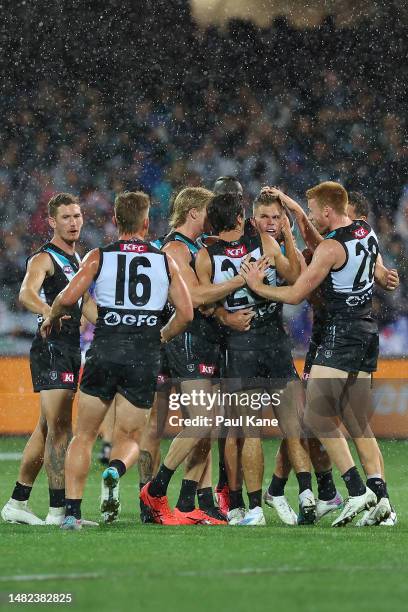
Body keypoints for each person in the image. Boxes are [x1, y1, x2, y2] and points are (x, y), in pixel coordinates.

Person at [240, 181, 398, 526]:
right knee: (358, 423)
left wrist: (258, 287)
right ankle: (382, 502)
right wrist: (292, 207)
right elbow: (327, 241)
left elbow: (296, 293)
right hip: (366, 330)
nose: (308, 216)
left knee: (316, 416)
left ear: (327, 211)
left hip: (338, 333)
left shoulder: (329, 249)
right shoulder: (366, 232)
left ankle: (357, 491)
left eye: (312, 211)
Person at [40, 191, 193, 529]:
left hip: (105, 348)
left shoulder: (98, 256)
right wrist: (161, 336)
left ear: (115, 219)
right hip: (143, 353)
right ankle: (116, 470)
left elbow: (67, 298)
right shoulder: (164, 260)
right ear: (146, 222)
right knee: (133, 439)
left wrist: (52, 316)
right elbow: (186, 312)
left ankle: (72, 514)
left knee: (84, 435)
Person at [196, 192, 306, 525]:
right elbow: (292, 275)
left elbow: (200, 300)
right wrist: (286, 233)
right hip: (273, 341)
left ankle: (253, 508)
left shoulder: (206, 255)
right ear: (242, 217)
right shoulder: (261, 242)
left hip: (238, 346)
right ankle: (307, 495)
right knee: (293, 425)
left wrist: (223, 314)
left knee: (248, 431)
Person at [140, 187, 247, 525]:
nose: (213, 219)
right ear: (192, 213)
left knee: (205, 423)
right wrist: (241, 280)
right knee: (200, 419)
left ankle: (188, 502)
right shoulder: (174, 247)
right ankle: (155, 490)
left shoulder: (198, 248)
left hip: (204, 337)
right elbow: (197, 296)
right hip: (185, 338)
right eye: (208, 212)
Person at [1, 193, 97, 526]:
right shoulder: (44, 259)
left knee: (45, 429)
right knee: (60, 428)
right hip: (52, 347)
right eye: (67, 217)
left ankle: (18, 501)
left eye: (78, 215)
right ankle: (59, 510)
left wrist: (113, 324)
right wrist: (48, 312)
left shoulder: (79, 260)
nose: (74, 222)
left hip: (71, 349)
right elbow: (27, 293)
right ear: (52, 222)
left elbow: (86, 306)